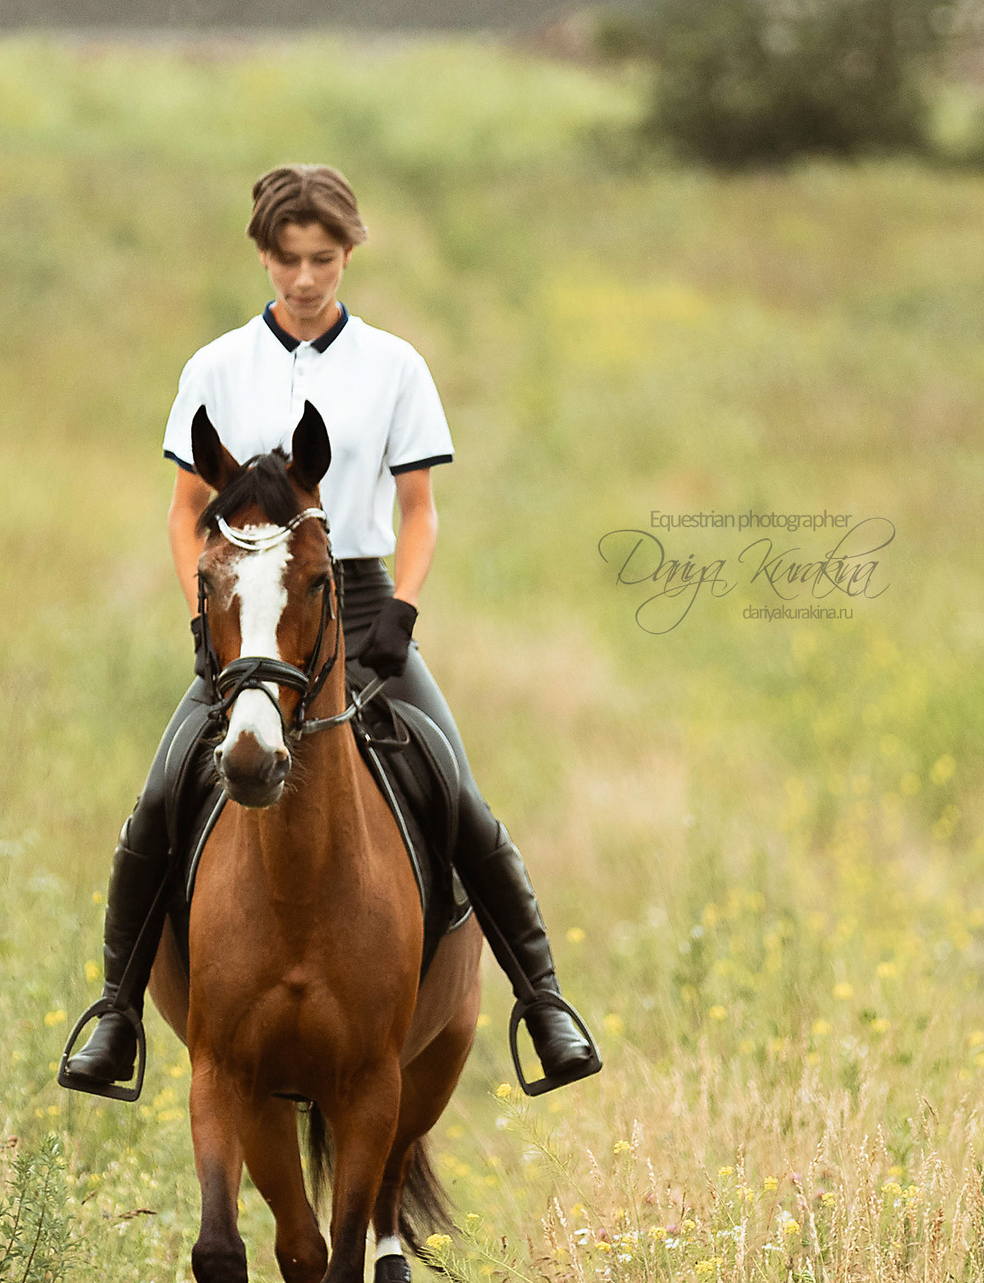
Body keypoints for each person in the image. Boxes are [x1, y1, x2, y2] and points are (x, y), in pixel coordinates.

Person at [57, 163, 600, 1101]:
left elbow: (419, 508)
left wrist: (403, 611)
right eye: (288, 260)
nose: (305, 280)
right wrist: (204, 616)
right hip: (248, 622)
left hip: (358, 605)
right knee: (156, 800)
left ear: (348, 255)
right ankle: (113, 1016)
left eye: (323, 260)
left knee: (459, 791)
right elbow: (188, 509)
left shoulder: (394, 366)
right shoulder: (214, 367)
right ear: (263, 256)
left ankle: (543, 1003)